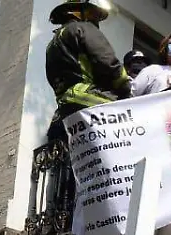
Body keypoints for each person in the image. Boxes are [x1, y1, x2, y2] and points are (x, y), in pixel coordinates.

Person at [45, 0, 132, 142]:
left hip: (64, 110)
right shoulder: (83, 28)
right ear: (77, 11)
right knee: (128, 128)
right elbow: (107, 61)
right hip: (90, 101)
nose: (95, 20)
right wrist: (126, 89)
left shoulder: (53, 43)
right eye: (93, 14)